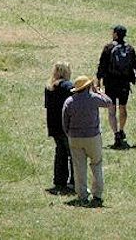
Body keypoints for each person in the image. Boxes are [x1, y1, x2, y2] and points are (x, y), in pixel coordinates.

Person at [96, 25, 136, 149]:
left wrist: (98, 80)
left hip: (110, 83)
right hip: (124, 83)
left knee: (111, 110)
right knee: (123, 108)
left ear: (115, 34)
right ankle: (121, 130)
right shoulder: (129, 49)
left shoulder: (108, 48)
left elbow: (102, 66)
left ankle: (116, 134)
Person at [62, 75, 113, 207]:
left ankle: (82, 195)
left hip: (75, 138)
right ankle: (97, 194)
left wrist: (70, 134)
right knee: (96, 164)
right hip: (93, 137)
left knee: (79, 167)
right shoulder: (93, 98)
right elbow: (109, 102)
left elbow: (64, 123)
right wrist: (99, 92)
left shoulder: (69, 102)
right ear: (88, 87)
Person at [44, 62, 74, 193]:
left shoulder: (49, 87)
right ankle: (74, 181)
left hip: (54, 124)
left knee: (60, 152)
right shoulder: (68, 86)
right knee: (73, 154)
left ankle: (59, 180)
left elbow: (47, 106)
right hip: (66, 125)